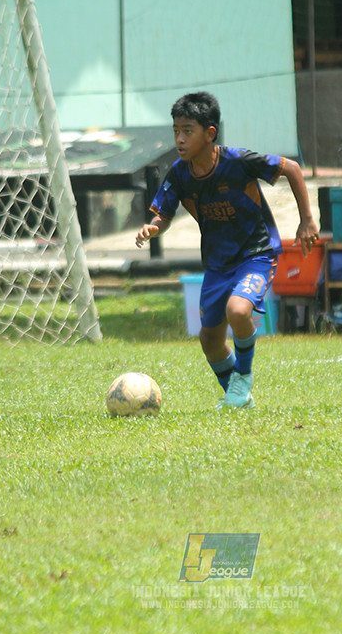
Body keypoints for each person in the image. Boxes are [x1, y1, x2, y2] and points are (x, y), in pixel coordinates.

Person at [136, 92, 319, 409]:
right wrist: (153, 226)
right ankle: (237, 395)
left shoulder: (238, 161)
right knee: (209, 340)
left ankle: (242, 380)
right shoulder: (179, 174)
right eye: (176, 131)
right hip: (217, 266)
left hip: (256, 255)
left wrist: (306, 220)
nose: (179, 139)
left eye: (188, 131)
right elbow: (163, 214)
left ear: (210, 133)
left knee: (238, 311)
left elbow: (291, 168)